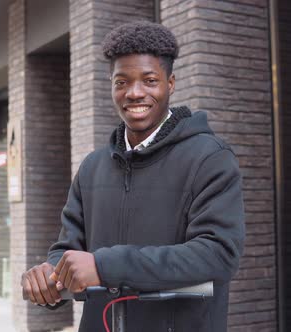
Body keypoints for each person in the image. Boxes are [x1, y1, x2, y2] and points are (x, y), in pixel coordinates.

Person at [21, 21, 245, 332]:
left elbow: (218, 254)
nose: (135, 93)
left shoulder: (209, 158)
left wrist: (105, 266)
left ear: (170, 83)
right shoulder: (92, 167)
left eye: (149, 80)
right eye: (121, 82)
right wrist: (48, 277)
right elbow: (68, 251)